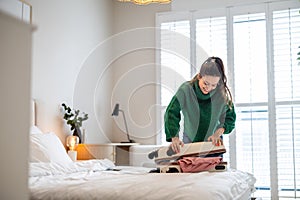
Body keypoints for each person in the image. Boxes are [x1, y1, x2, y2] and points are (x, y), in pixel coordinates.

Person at [164, 56, 236, 153]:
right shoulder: (186, 90)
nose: (208, 88)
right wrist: (174, 138)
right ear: (199, 76)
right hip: (190, 141)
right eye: (206, 83)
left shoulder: (221, 95)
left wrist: (217, 133)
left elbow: (230, 118)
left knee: (213, 168)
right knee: (189, 166)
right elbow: (171, 113)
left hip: (213, 142)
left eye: (213, 85)